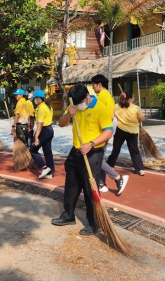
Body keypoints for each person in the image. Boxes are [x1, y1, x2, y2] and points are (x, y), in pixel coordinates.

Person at [51, 84, 113, 236]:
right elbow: (61, 123)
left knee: (90, 188)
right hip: (76, 151)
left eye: (80, 103)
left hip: (93, 152)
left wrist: (91, 144)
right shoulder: (74, 106)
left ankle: (94, 224)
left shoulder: (101, 108)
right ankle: (68, 216)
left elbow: (108, 132)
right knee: (71, 185)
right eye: (75, 103)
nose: (78, 106)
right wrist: (68, 115)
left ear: (87, 96)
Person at [91, 74, 128, 195]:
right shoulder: (106, 95)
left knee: (97, 158)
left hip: (105, 127)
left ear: (99, 84)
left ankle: (117, 178)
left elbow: (99, 114)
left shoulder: (102, 96)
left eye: (93, 85)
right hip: (108, 126)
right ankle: (102, 183)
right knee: (100, 156)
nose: (92, 87)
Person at [107, 92, 146, 176]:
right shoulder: (136, 108)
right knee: (134, 150)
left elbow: (112, 117)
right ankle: (140, 169)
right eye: (133, 97)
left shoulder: (115, 106)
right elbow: (142, 119)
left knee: (116, 149)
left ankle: (110, 165)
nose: (134, 99)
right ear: (129, 99)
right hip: (133, 132)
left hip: (120, 130)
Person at [30, 90, 55, 179]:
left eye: (36, 98)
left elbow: (40, 124)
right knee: (47, 151)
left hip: (44, 130)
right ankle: (50, 172)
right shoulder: (48, 106)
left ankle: (45, 168)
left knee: (33, 149)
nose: (35, 100)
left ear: (39, 98)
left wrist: (36, 136)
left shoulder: (41, 108)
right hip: (50, 129)